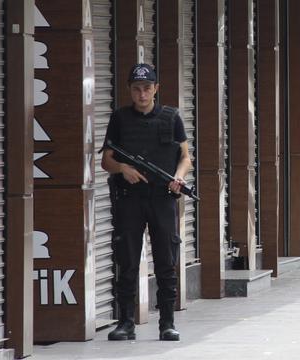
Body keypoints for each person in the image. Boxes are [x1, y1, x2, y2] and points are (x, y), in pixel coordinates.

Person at [101, 63, 192, 341]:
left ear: (156, 89)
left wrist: (178, 177)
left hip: (162, 198)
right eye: (137, 89)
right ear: (130, 90)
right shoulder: (119, 119)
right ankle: (126, 322)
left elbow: (186, 157)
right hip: (129, 200)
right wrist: (123, 170)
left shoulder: (171, 117)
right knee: (126, 259)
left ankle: (167, 322)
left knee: (166, 260)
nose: (142, 94)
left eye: (147, 88)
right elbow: (106, 160)